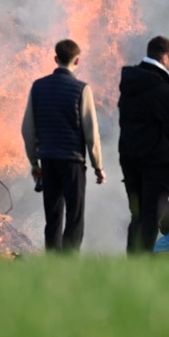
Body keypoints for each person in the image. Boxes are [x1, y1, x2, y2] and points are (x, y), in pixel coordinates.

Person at [21, 39, 105, 252]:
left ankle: (52, 260)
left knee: (53, 216)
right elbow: (91, 132)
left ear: (55, 58)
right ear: (77, 61)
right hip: (73, 161)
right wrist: (98, 167)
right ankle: (69, 262)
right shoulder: (82, 89)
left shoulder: (38, 87)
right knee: (74, 216)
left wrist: (34, 162)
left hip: (48, 161)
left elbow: (27, 129)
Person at [117, 35, 169, 253]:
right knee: (152, 216)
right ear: (165, 57)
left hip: (129, 156)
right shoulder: (161, 88)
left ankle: (132, 261)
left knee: (136, 214)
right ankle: (143, 262)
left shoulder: (128, 83)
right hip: (156, 160)